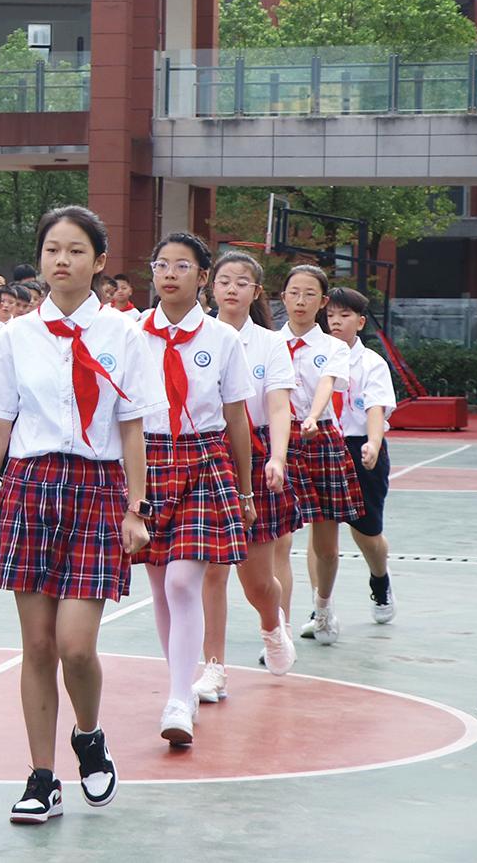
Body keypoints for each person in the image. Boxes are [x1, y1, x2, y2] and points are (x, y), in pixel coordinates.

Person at [0, 206, 163, 824]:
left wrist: (136, 508)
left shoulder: (125, 335)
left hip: (98, 487)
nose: (62, 261)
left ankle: (89, 736)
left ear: (99, 261)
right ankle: (42, 778)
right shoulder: (15, 336)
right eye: (52, 249)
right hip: (31, 486)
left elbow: (132, 429)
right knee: (38, 645)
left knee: (76, 647)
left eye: (76, 250)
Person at [133, 234, 252, 746]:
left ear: (202, 277)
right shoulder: (131, 333)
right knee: (161, 584)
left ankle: (179, 701)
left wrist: (245, 492)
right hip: (146, 459)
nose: (169, 273)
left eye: (182, 266)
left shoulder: (223, 339)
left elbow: (236, 418)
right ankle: (180, 686)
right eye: (161, 264)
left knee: (183, 583)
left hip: (204, 459)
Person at [195, 251, 298, 704]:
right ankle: (213, 668)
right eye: (224, 281)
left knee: (256, 582)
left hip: (254, 453)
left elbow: (278, 405)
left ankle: (272, 625)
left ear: (256, 292)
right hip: (205, 454)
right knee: (212, 570)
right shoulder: (197, 335)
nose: (232, 289)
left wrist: (277, 457)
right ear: (211, 287)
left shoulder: (270, 344)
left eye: (242, 282)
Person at [277, 266, 362, 646]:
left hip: (321, 438)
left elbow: (327, 382)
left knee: (325, 547)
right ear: (282, 297)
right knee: (278, 540)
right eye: (294, 292)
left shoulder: (333, 347)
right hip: (277, 439)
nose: (301, 301)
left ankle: (323, 607)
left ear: (323, 301)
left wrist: (312, 416)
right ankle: (277, 629)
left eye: (310, 294)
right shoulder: (267, 343)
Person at [323, 287, 398, 628]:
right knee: (322, 537)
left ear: (361, 321)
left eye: (345, 315)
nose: (336, 322)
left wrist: (373, 443)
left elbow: (375, 408)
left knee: (367, 535)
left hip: (360, 448)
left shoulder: (371, 363)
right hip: (322, 447)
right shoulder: (316, 356)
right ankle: (321, 607)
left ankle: (380, 581)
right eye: (330, 315)